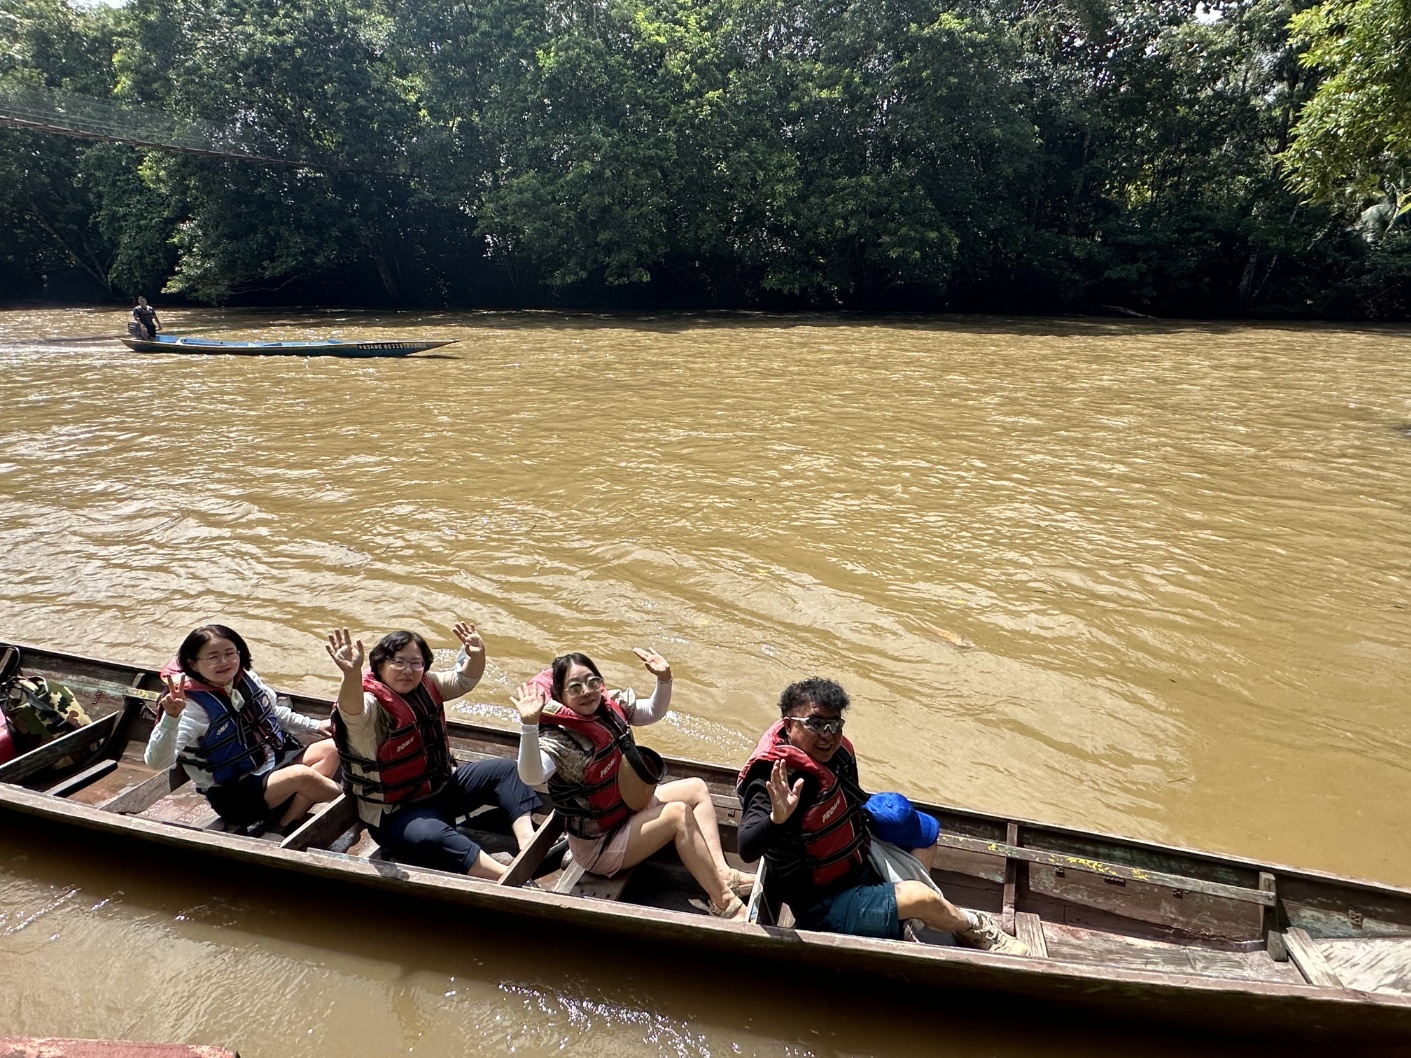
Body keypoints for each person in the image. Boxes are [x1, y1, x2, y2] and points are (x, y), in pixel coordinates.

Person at [736, 677, 1027, 953]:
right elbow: (747, 847)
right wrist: (778, 818)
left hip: (857, 861)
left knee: (923, 835)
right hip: (821, 902)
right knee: (920, 896)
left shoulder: (834, 754)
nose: (828, 735)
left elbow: (852, 804)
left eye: (834, 724)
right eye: (816, 723)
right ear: (789, 724)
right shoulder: (772, 778)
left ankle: (904, 917)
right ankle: (974, 927)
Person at [513, 649, 754, 919]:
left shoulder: (608, 709)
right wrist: (529, 725)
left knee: (696, 788)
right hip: (601, 845)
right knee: (678, 815)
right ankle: (723, 902)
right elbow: (531, 777)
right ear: (560, 694)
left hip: (628, 809)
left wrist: (664, 679)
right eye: (575, 687)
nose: (587, 692)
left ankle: (722, 874)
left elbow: (653, 711)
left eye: (592, 682)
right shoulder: (559, 741)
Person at [326, 624, 541, 879]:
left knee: (507, 770)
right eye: (398, 662)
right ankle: (507, 876)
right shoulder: (370, 707)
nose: (408, 670)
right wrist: (350, 675)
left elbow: (464, 679)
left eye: (416, 663)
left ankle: (527, 840)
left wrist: (477, 655)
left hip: (441, 789)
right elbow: (351, 711)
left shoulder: (429, 685)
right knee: (432, 836)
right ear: (379, 666)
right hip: (396, 813)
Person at [145, 624, 342, 833]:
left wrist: (315, 725)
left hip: (273, 763)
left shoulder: (245, 680)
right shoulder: (190, 707)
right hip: (236, 795)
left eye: (230, 653)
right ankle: (354, 801)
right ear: (193, 664)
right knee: (302, 776)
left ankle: (282, 825)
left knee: (332, 748)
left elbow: (272, 713)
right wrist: (171, 718)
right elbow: (157, 762)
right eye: (212, 657)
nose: (224, 662)